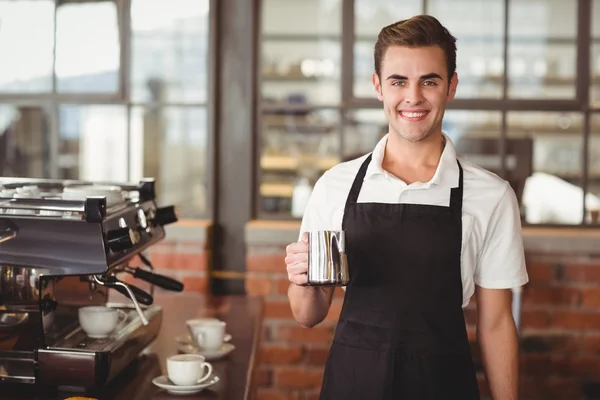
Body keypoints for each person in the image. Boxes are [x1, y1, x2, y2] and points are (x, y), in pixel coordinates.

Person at [284, 14, 528, 400]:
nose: (413, 97)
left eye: (429, 81)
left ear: (451, 86)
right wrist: (303, 279)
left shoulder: (492, 196)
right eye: (399, 81)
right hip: (354, 384)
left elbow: (497, 324)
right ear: (378, 87)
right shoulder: (335, 186)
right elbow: (307, 314)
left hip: (444, 385)